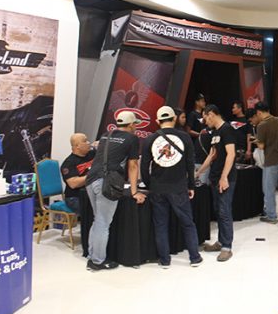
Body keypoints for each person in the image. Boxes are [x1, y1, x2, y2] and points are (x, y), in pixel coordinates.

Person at [141, 106, 202, 268]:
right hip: (179, 187)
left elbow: (144, 166)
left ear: (157, 121)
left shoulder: (150, 139)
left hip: (158, 187)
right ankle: (194, 257)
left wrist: (149, 184)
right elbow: (190, 164)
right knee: (187, 223)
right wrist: (191, 185)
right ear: (174, 118)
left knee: (160, 225)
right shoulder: (185, 137)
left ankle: (165, 260)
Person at [84, 111, 144, 271]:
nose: (136, 127)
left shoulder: (106, 135)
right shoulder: (132, 138)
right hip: (106, 183)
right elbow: (133, 165)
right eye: (135, 124)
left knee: (98, 220)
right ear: (131, 124)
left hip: (91, 180)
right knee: (103, 223)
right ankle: (97, 261)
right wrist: (134, 191)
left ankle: (92, 255)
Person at [196, 105, 236, 262]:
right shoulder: (215, 132)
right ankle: (220, 242)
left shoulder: (227, 130)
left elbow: (231, 154)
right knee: (218, 210)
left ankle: (227, 247)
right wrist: (198, 172)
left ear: (211, 114)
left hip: (225, 178)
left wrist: (224, 177)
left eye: (206, 117)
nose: (205, 121)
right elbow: (212, 155)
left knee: (224, 211)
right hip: (214, 177)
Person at [255, 102, 278, 223]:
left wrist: (256, 141)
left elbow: (261, 146)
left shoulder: (261, 125)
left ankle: (271, 215)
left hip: (271, 160)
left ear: (259, 112)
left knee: (269, 188)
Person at [60, 133, 95, 215]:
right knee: (95, 212)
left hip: (91, 194)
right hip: (75, 197)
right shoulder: (68, 163)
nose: (88, 142)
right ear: (77, 146)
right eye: (85, 141)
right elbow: (73, 184)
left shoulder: (92, 154)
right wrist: (93, 175)